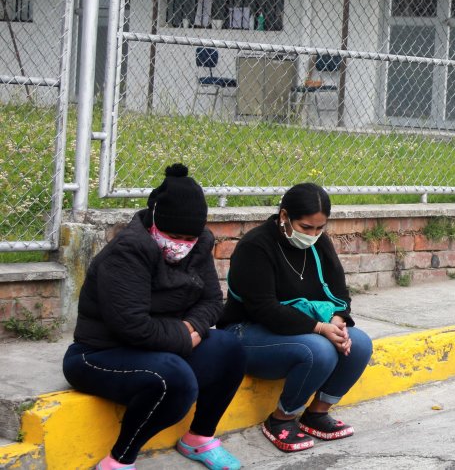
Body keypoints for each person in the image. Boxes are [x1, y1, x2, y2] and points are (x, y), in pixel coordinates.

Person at [63, 164, 246, 470]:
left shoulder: (199, 243)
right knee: (174, 379)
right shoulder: (127, 251)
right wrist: (185, 337)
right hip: (99, 354)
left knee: (231, 348)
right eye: (175, 236)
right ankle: (119, 461)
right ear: (155, 224)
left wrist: (191, 327)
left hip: (163, 344)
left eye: (190, 237)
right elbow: (132, 326)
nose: (182, 245)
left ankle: (199, 438)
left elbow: (213, 300)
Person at [220, 183, 373, 453]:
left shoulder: (319, 244)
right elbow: (263, 309)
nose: (313, 235)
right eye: (305, 227)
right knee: (319, 350)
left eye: (319, 228)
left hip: (297, 329)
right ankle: (281, 419)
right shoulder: (255, 246)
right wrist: (319, 327)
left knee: (359, 344)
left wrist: (338, 319)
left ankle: (316, 414)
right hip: (246, 331)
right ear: (284, 217)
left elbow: (339, 291)